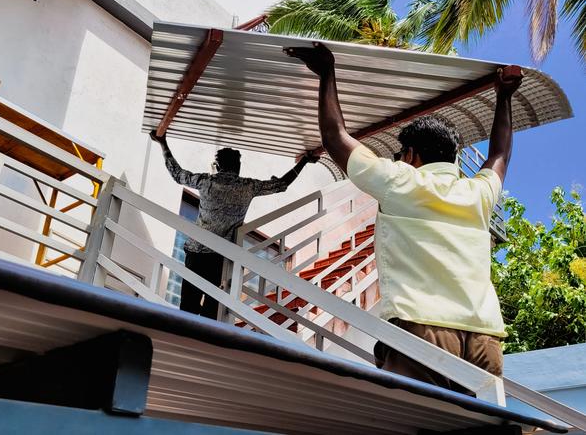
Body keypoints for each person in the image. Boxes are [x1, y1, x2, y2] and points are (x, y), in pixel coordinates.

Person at [285, 42, 522, 394]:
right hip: (484, 339)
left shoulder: (401, 180)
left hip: (423, 329)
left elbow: (336, 137)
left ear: (410, 154)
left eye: (400, 154)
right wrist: (504, 96)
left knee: (417, 422)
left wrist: (327, 71)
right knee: (479, 425)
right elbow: (499, 154)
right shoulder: (478, 194)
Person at [150, 130, 319, 319]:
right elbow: (281, 184)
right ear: (237, 166)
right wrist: (304, 161)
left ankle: (181, 340)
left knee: (188, 306)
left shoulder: (205, 181)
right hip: (221, 256)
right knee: (213, 310)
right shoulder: (248, 186)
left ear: (218, 166)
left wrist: (163, 143)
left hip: (196, 252)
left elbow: (177, 173)